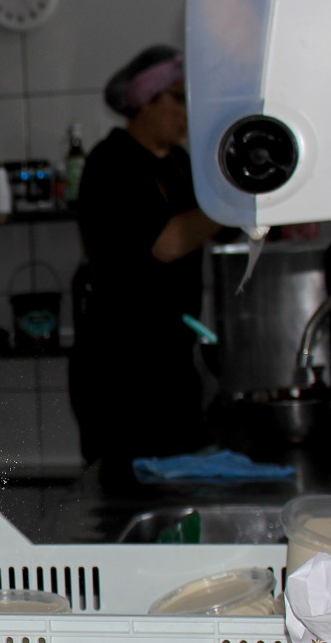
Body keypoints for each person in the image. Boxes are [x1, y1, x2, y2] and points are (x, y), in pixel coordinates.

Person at [70, 45, 225, 482]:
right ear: (145, 101)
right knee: (130, 487)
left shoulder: (179, 163)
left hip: (173, 361)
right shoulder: (111, 164)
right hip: (121, 369)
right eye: (177, 99)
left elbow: (217, 231)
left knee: (183, 481)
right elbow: (167, 243)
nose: (186, 113)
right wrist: (230, 200)